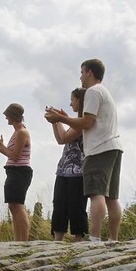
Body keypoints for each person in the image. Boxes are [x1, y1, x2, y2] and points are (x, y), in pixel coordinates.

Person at [45, 59, 123, 242]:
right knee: (112, 197)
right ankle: (113, 239)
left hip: (99, 148)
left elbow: (87, 122)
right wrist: (62, 118)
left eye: (82, 72)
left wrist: (60, 119)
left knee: (97, 194)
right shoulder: (104, 92)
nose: (80, 77)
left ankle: (95, 239)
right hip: (113, 146)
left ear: (89, 72)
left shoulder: (93, 92)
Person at [0, 103, 33, 241]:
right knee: (13, 205)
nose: (6, 119)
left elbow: (15, 156)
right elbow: (10, 153)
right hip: (13, 171)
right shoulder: (16, 133)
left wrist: (0, 145)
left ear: (13, 116)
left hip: (20, 172)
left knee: (18, 205)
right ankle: (18, 239)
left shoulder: (22, 132)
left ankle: (23, 240)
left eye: (8, 116)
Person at [47, 88, 88, 241]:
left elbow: (64, 137)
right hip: (64, 168)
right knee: (59, 204)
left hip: (78, 169)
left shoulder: (83, 121)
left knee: (76, 206)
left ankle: (79, 238)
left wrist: (58, 119)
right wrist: (56, 121)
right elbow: (60, 139)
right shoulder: (74, 122)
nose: (70, 104)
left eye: (72, 100)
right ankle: (57, 239)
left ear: (79, 100)